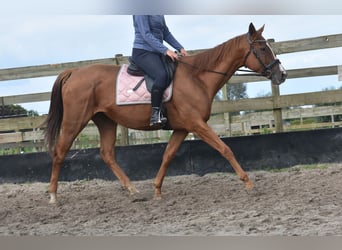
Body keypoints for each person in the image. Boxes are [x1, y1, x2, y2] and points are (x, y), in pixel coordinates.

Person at [131, 15, 188, 126]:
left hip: (156, 52)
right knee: (161, 75)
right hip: (142, 51)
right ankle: (155, 114)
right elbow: (146, 34)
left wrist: (180, 48)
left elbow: (165, 32)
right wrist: (165, 50)